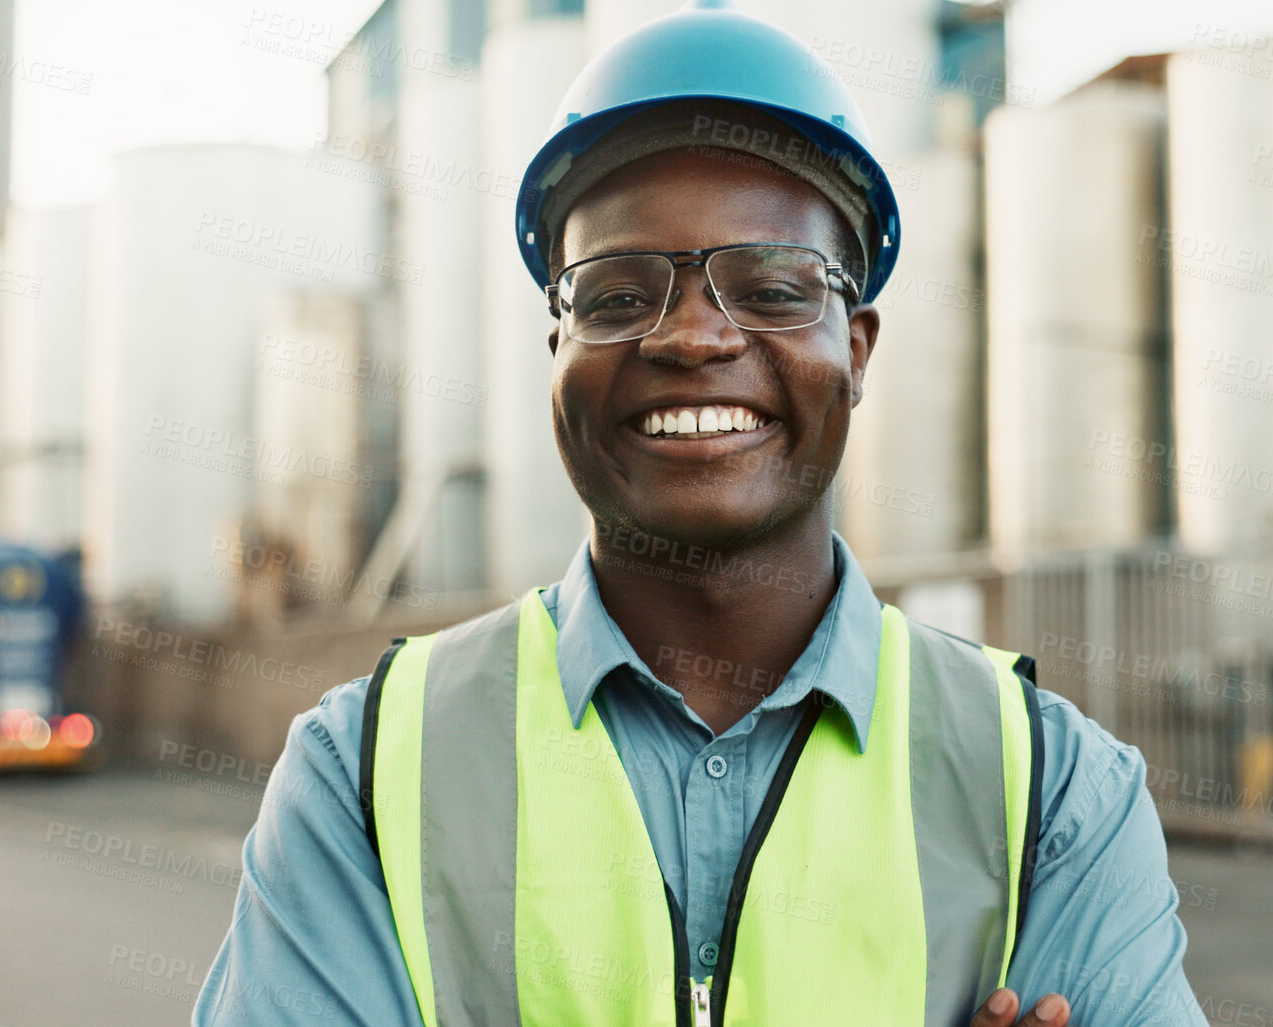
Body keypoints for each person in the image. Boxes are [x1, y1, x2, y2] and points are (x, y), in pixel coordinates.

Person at [195, 2, 1203, 1024]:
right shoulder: (366, 776)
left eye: (771, 287)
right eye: (619, 294)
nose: (691, 336)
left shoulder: (1050, 788)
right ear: (559, 352)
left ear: (856, 350)